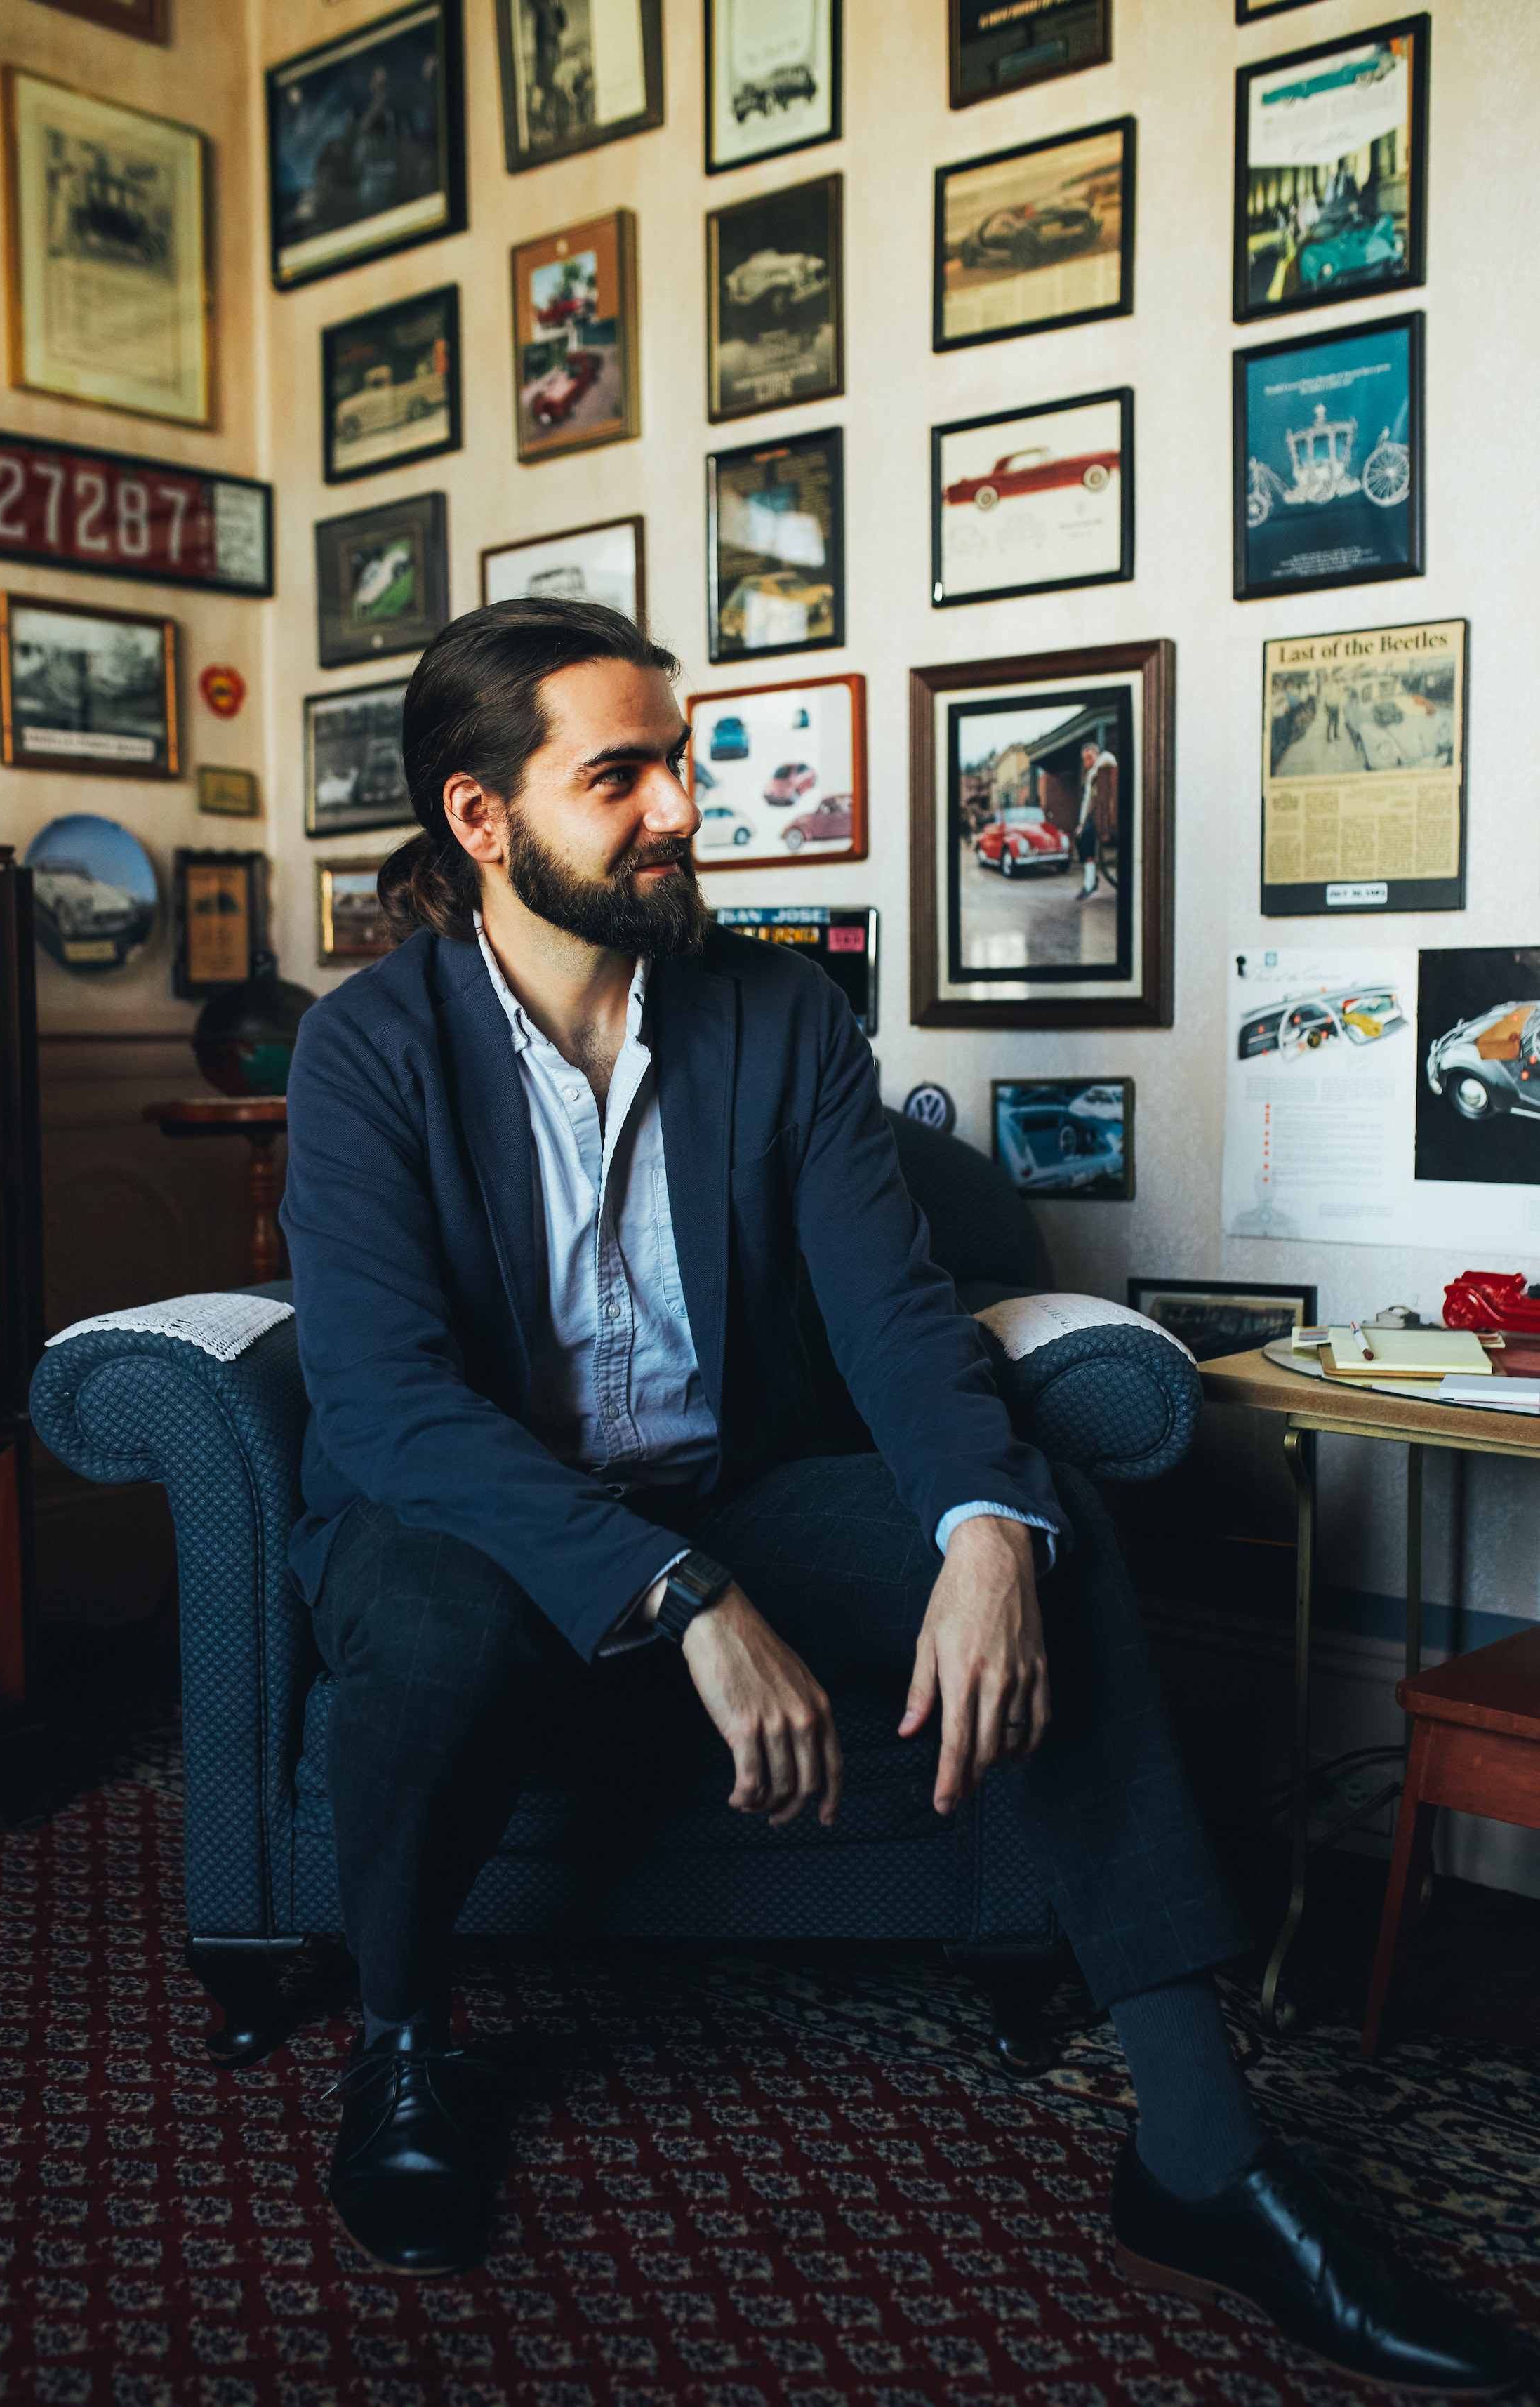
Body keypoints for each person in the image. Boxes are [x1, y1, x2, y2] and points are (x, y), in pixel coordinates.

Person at [281, 599, 1522, 2397]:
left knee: (1050, 1529)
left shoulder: (776, 1014)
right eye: (616, 776)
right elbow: (392, 1405)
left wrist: (980, 1529)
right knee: (425, 1604)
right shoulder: (366, 1050)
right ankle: (403, 2037)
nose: (678, 809)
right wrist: (682, 1593)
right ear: (483, 817)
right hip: (477, 1513)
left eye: (678, 763)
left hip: (739, 1479)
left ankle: (1199, 2154)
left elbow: (892, 1312)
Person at [1074, 738, 1117, 900]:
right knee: (1080, 835)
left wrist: (1095, 764)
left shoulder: (1105, 759)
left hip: (1110, 812)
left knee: (1086, 833)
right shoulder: (1091, 775)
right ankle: (1091, 880)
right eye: (1084, 758)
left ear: (1096, 754)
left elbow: (1107, 762)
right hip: (1099, 814)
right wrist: (1081, 823)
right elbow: (1088, 802)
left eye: (1089, 756)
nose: (1087, 761)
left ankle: (1090, 883)